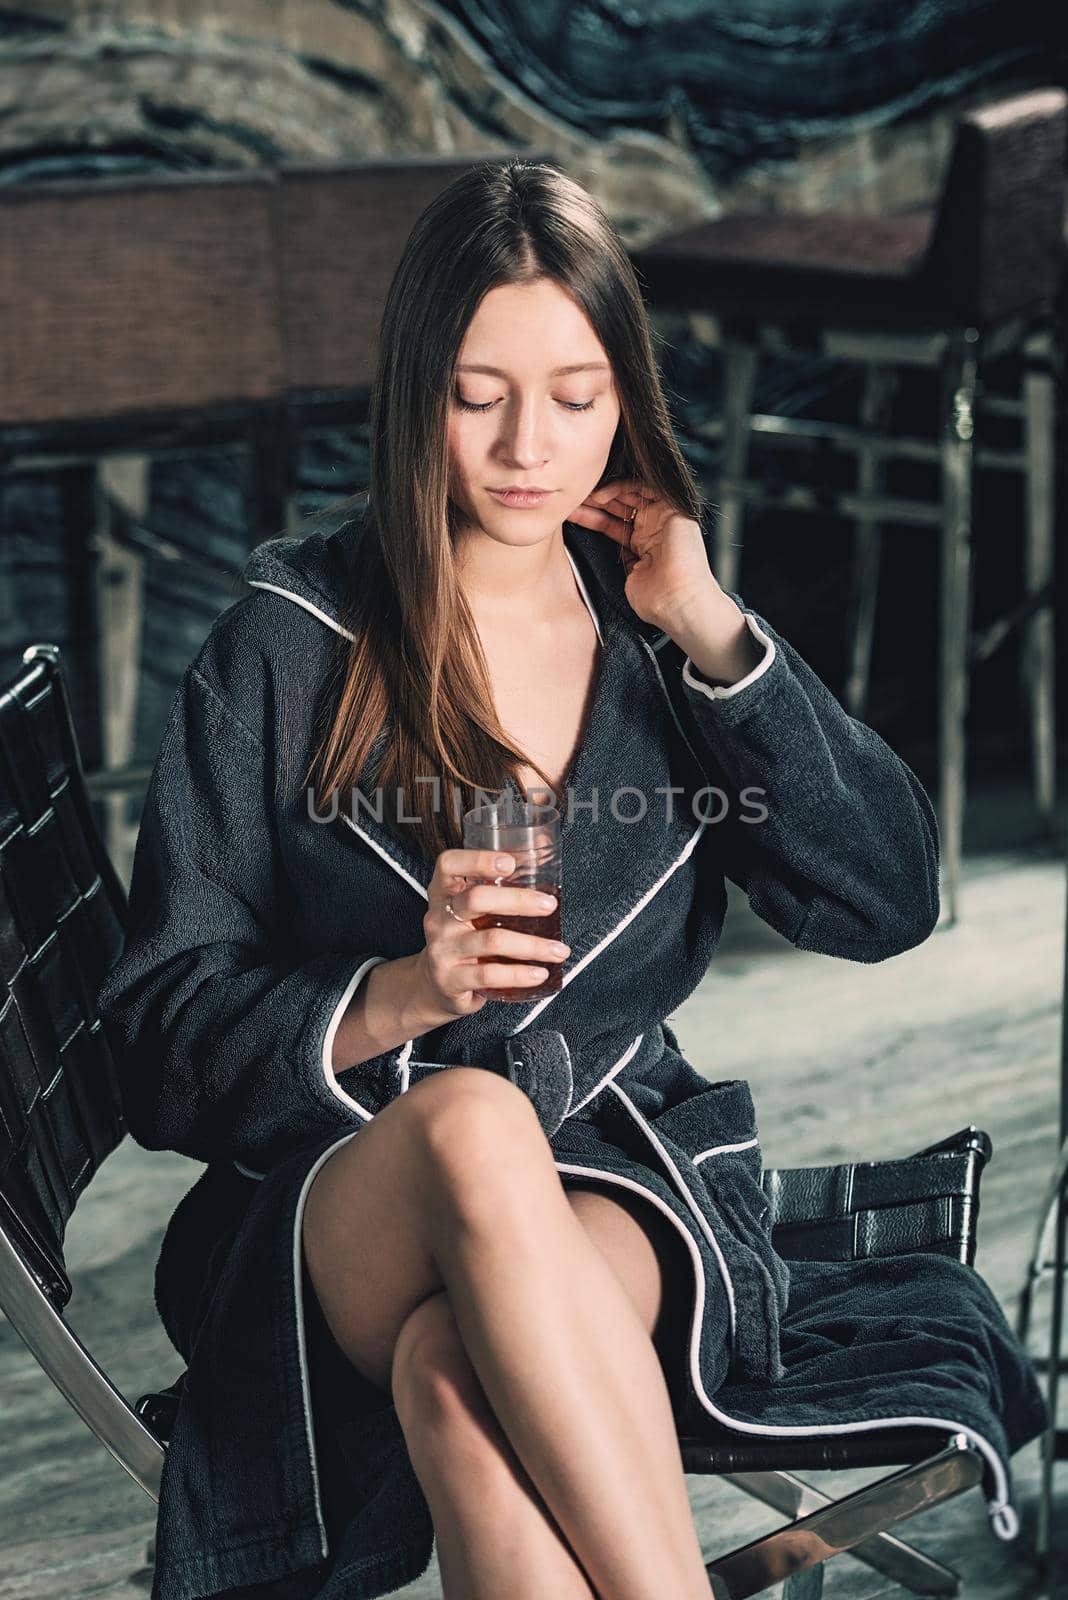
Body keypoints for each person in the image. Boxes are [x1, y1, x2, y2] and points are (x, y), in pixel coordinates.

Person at [97, 158, 1046, 1600]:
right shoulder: (286, 646)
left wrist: (719, 632)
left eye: (579, 394)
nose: (531, 446)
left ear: (628, 394)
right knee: (472, 1122)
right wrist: (395, 997)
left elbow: (887, 896)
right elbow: (158, 1042)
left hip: (616, 1167)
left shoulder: (656, 628)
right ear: (416, 388)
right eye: (481, 395)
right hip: (332, 1201)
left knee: (458, 1396)